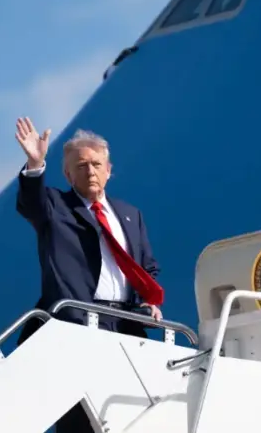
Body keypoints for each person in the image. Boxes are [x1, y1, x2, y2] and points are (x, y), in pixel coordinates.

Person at [12, 117, 164, 433]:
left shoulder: (129, 215)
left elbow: (146, 267)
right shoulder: (55, 205)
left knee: (131, 415)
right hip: (77, 322)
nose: (90, 170)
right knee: (79, 419)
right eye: (81, 166)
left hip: (124, 323)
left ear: (109, 171)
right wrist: (34, 164)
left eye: (96, 164)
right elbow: (30, 204)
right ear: (68, 174)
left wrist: (149, 301)